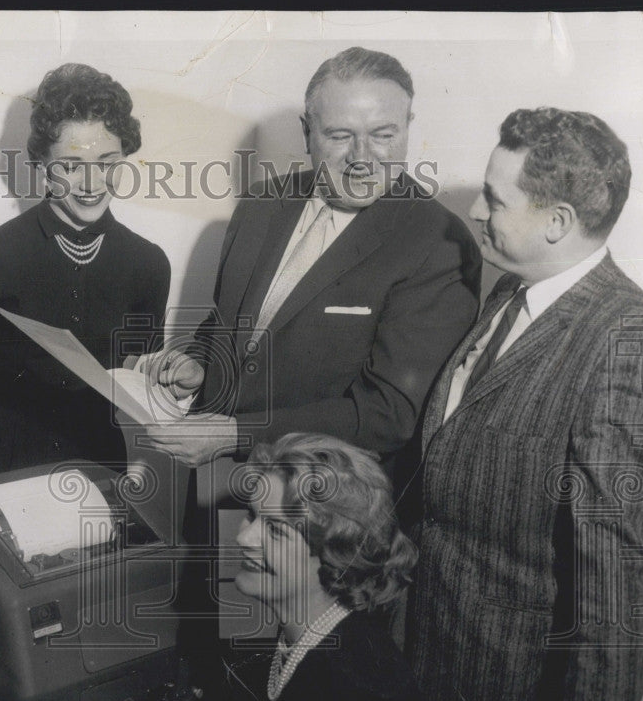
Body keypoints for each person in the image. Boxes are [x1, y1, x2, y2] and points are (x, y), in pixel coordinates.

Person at [406, 108, 643, 701]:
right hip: (432, 670)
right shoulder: (510, 288)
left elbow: (618, 551)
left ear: (555, 222)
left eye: (495, 199)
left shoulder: (624, 333)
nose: (474, 208)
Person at [141, 46, 480, 468]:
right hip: (224, 486)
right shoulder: (263, 203)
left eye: (383, 135)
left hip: (330, 506)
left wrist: (233, 435)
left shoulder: (439, 243)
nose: (362, 157)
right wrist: (199, 366)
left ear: (408, 127)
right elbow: (231, 323)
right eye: (340, 136)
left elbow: (387, 415)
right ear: (307, 131)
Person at [103, 433, 431, 701]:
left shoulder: (360, 690)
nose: (244, 537)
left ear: (333, 555)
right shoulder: (313, 639)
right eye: (252, 515)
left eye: (274, 530)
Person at [0, 63, 170, 479]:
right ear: (41, 164)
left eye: (106, 163)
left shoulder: (149, 265)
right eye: (70, 166)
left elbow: (135, 368)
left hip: (95, 455)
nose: (91, 183)